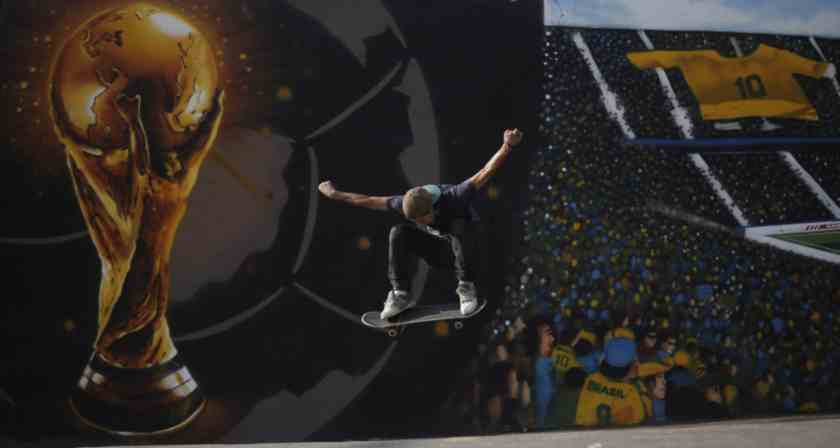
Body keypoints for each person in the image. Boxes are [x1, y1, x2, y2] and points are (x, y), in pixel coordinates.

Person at [318, 129, 524, 319]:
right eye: (416, 220)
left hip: (472, 251)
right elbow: (367, 200)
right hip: (442, 253)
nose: (421, 223)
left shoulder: (454, 196)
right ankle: (400, 294)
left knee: (459, 227)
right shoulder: (403, 203)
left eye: (422, 219)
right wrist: (335, 194)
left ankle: (466, 288)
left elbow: (486, 172)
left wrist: (507, 146)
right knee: (398, 232)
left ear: (432, 208)